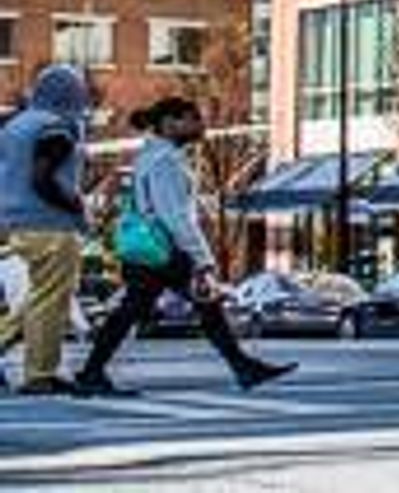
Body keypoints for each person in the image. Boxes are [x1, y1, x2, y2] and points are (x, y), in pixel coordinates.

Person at [77, 98, 292, 396]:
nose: (200, 126)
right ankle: (243, 367)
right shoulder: (165, 160)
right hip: (165, 250)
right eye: (192, 119)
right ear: (169, 123)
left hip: (147, 248)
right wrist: (203, 258)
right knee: (200, 305)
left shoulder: (149, 155)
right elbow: (175, 215)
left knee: (140, 310)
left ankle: (91, 373)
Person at [0, 64, 92, 398]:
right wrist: (76, 206)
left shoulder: (15, 125)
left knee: (39, 298)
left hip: (12, 221)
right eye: (80, 91)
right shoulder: (57, 128)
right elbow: (43, 179)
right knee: (50, 300)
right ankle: (40, 374)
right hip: (49, 224)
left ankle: (40, 369)